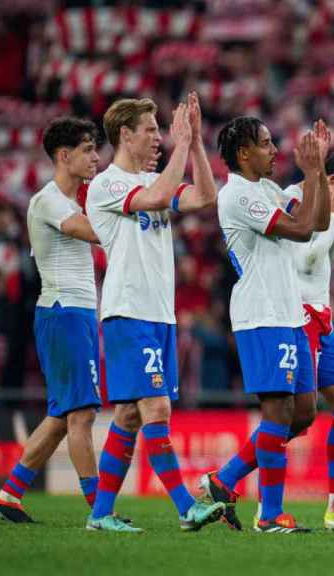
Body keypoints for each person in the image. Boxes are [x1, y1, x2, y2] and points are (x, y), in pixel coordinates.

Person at [201, 145, 334, 531]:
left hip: (322, 316)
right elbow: (305, 259)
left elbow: (327, 259)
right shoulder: (293, 200)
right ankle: (243, 491)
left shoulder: (333, 205)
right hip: (296, 314)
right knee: (296, 414)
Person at [84, 94, 224, 533]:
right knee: (156, 407)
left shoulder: (149, 180)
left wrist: (195, 143)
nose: (159, 138)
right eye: (150, 130)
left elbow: (205, 196)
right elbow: (160, 195)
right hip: (129, 311)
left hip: (159, 314)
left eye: (161, 130)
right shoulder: (107, 185)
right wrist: (181, 144)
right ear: (125, 135)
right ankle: (186, 507)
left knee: (129, 415)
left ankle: (100, 514)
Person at [199, 117, 329, 533]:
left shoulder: (268, 190)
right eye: (266, 144)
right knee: (278, 411)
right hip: (261, 314)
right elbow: (302, 230)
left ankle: (225, 479)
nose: (275, 150)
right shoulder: (237, 195)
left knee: (303, 412)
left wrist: (319, 170)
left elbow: (319, 222)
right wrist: (312, 173)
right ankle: (270, 514)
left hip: (289, 313)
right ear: (244, 153)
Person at [0, 116, 103, 524]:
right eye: (88, 150)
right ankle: (101, 508)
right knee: (82, 414)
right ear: (64, 155)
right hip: (63, 311)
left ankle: (9, 495)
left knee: (61, 417)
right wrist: (133, 213)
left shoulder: (73, 199)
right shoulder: (49, 201)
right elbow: (90, 231)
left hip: (75, 313)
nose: (96, 157)